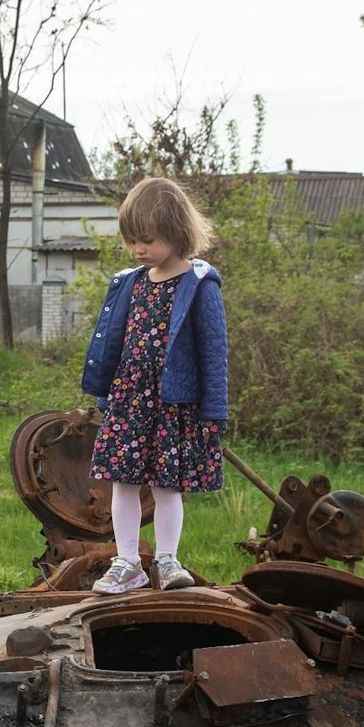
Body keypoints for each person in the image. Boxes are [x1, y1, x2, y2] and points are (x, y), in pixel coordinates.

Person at [79, 176, 228, 593]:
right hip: (129, 400)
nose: (138, 249)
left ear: (176, 231)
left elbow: (214, 353)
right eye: (132, 241)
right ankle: (127, 562)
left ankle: (167, 561)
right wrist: (105, 393)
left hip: (172, 404)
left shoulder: (200, 284)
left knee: (166, 485)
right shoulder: (131, 281)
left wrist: (214, 411)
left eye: (146, 240)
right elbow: (114, 340)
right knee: (122, 482)